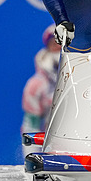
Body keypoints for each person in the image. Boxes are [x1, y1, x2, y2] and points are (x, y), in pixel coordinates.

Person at [21, 24, 61, 157]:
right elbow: (31, 126)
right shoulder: (35, 85)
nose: (59, 48)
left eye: (63, 43)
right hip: (51, 153)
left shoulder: (85, 77)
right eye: (54, 43)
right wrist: (33, 159)